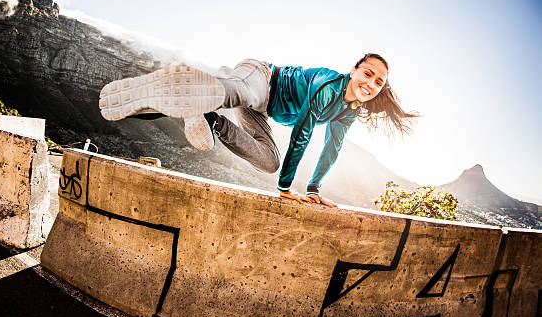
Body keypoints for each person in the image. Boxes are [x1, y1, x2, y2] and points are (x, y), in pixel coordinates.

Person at [99, 54, 418, 207]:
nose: (371, 84)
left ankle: (210, 119)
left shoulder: (348, 111)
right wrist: (285, 187)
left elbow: (331, 150)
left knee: (269, 160)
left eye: (379, 82)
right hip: (261, 77)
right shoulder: (326, 85)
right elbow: (303, 133)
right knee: (238, 93)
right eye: (368, 74)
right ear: (353, 71)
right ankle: (157, 95)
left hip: (260, 111)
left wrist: (313, 190)